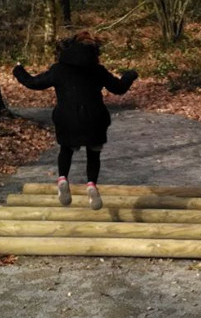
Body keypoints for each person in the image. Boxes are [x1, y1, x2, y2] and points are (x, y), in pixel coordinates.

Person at [12, 31, 138, 210]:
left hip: (66, 118)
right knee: (93, 153)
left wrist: (19, 70)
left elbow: (33, 83)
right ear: (94, 50)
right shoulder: (97, 70)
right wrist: (130, 75)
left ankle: (63, 178)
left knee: (66, 149)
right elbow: (118, 88)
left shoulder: (59, 69)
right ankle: (91, 185)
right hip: (94, 118)